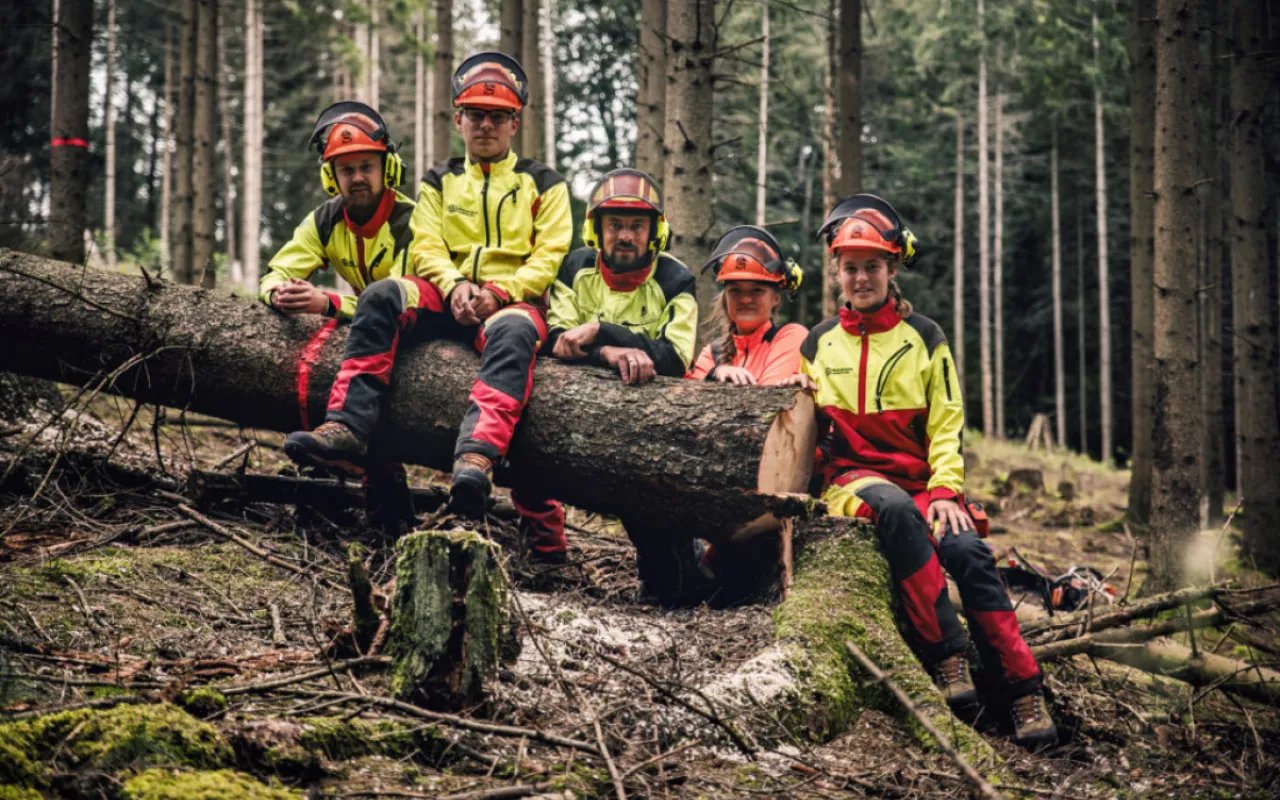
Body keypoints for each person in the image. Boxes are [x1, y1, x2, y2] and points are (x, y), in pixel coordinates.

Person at [283, 52, 574, 560]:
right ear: (458, 118)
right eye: (475, 114)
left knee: (513, 334)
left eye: (497, 116)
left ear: (514, 122)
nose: (485, 124)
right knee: (382, 294)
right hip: (446, 291)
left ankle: (476, 459)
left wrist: (500, 292)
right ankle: (346, 425)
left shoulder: (544, 184)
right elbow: (426, 244)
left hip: (512, 300)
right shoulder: (438, 180)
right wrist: (456, 283)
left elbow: (550, 255)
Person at [799, 194, 1057, 750]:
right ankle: (947, 654)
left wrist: (944, 491)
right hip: (851, 481)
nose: (861, 277)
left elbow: (947, 424)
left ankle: (1022, 689)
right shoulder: (817, 342)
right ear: (837, 273)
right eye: (851, 268)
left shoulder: (926, 337)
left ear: (893, 268)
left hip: (921, 484)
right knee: (892, 508)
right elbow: (798, 423)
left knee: (968, 550)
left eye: (872, 266)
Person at [261, 101, 418, 532]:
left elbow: (405, 297)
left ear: (386, 168)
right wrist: (281, 294)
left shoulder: (413, 223)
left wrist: (329, 304)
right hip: (368, 336)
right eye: (346, 170)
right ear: (331, 177)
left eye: (366, 166)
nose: (357, 178)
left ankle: (386, 517)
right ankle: (374, 520)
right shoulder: (325, 220)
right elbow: (276, 271)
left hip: (419, 327)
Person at [546, 168, 697, 384]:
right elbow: (558, 342)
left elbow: (675, 359)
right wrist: (606, 352)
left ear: (655, 232)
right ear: (596, 229)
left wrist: (599, 330)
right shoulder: (574, 267)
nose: (625, 237)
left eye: (637, 226)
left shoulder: (677, 280)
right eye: (615, 225)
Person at [688, 225, 808, 386]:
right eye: (735, 290)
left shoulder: (790, 337)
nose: (745, 299)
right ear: (725, 297)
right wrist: (715, 374)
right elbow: (687, 402)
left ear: (776, 298)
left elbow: (769, 400)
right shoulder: (711, 355)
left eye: (757, 291)